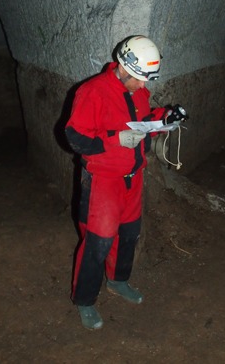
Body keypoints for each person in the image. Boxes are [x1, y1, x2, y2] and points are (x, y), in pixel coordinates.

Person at [65, 35, 187, 330]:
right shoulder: (92, 92)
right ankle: (84, 300)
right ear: (122, 66)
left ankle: (118, 281)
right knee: (99, 241)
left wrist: (165, 118)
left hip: (133, 177)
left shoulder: (138, 91)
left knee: (129, 234)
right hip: (104, 180)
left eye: (146, 80)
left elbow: (143, 120)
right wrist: (114, 140)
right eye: (138, 79)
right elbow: (74, 138)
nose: (143, 86)